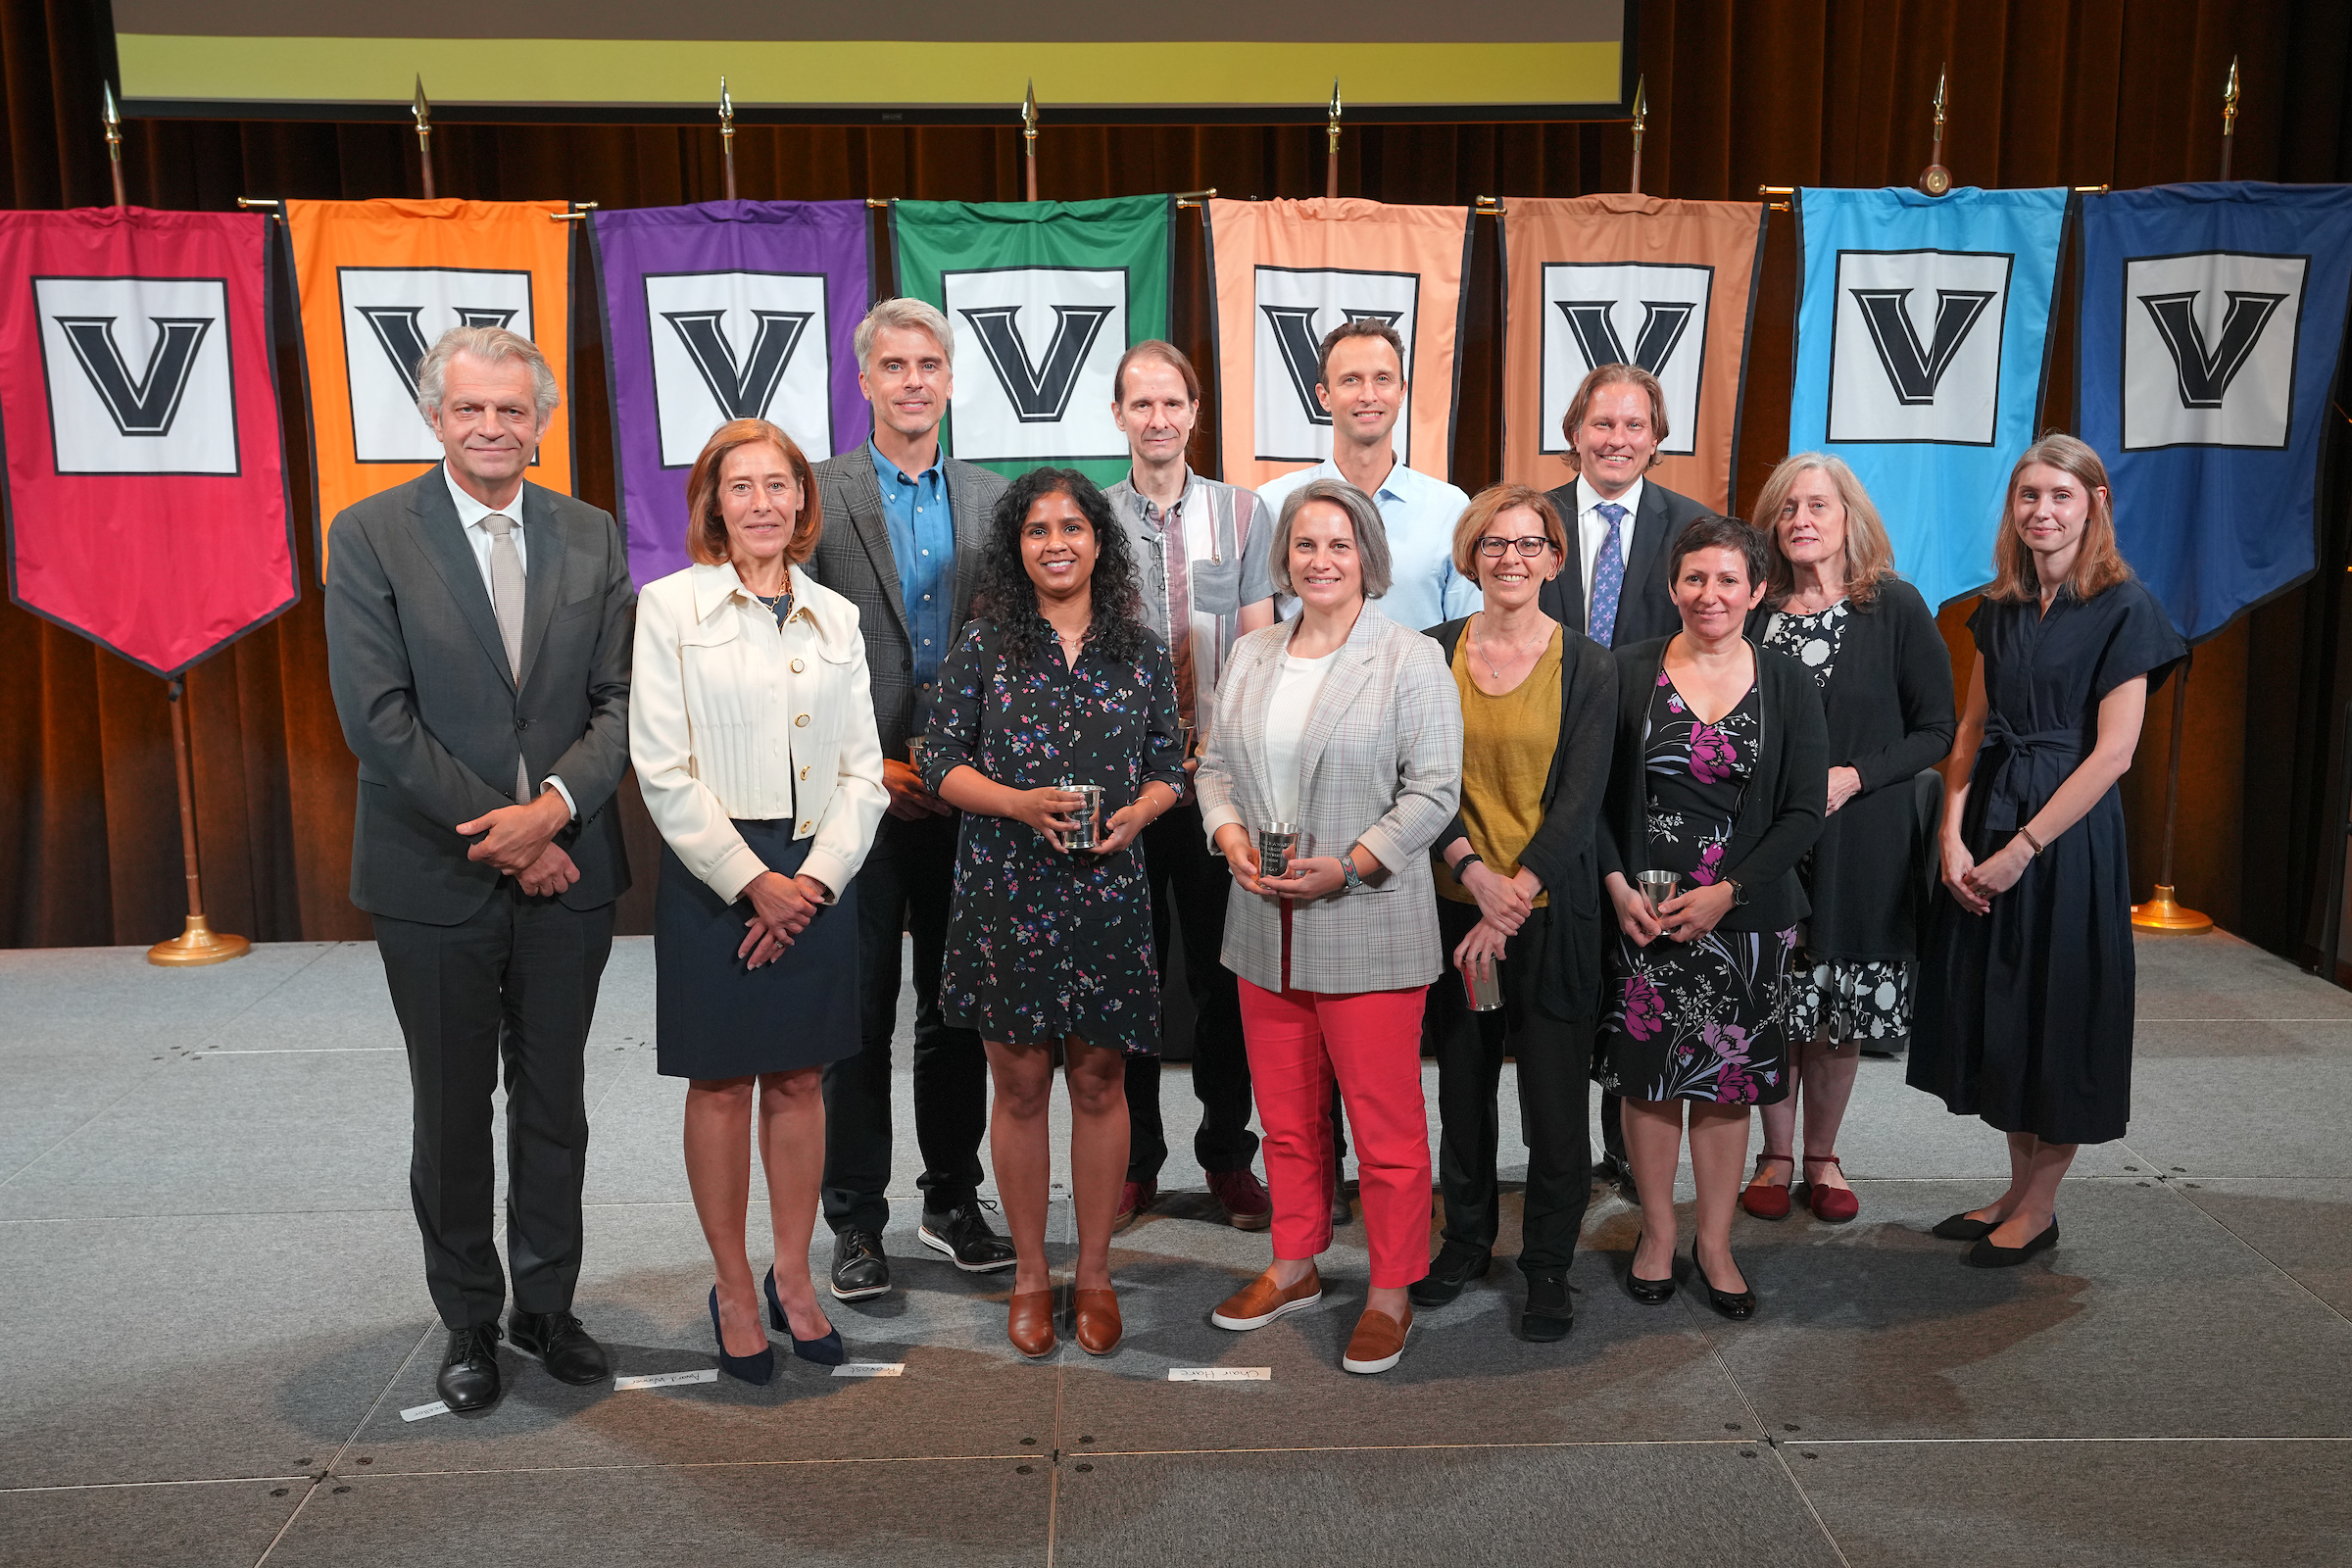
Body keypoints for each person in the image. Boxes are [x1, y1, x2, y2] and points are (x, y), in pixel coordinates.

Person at [324, 325, 634, 1412]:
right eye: (471, 409)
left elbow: (619, 701)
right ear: (434, 416)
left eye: (513, 410)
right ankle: (467, 1317)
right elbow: (378, 718)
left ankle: (546, 1304)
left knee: (555, 1101)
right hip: (434, 876)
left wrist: (552, 812)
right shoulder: (368, 535)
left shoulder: (591, 532)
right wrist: (507, 832)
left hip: (571, 865)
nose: (493, 427)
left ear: (541, 422)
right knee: (452, 1107)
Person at [630, 418, 888, 1382]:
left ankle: (792, 1272)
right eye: (741, 487)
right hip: (718, 876)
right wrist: (755, 883)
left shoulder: (837, 618)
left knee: (800, 1077)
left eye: (778, 484)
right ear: (713, 505)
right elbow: (661, 767)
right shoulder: (669, 608)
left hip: (820, 874)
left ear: (801, 500)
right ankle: (733, 1284)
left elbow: (864, 773)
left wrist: (814, 881)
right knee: (723, 1081)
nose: (763, 503)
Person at [1196, 478, 1463, 1376]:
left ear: (1369, 559)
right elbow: (1215, 767)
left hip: (1367, 920)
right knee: (1287, 1124)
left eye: (1338, 546)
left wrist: (1349, 864)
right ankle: (1295, 1262)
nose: (1320, 561)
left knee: (1384, 1128)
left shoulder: (1409, 659)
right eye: (1305, 546)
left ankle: (1391, 1287)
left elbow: (1434, 793)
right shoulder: (1254, 654)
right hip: (1261, 926)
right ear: (1285, 561)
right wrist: (1228, 834)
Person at [924, 468, 1188, 1357]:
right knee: (1023, 1084)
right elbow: (940, 765)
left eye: (1073, 527)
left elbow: (1170, 765)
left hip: (1109, 889)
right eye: (1037, 531)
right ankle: (1034, 1273)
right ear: (1017, 547)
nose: (1057, 543)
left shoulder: (1142, 650)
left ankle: (1099, 1273)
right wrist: (1015, 804)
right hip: (1007, 886)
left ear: (1101, 542)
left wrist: (1143, 812)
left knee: (1101, 1082)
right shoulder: (985, 644)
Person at [1910, 435, 2181, 1266]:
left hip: (2066, 835)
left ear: (2094, 502)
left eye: (2060, 495)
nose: (2042, 511)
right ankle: (2016, 1192)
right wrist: (1952, 835)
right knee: (2005, 1010)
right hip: (1992, 811)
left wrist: (2025, 846)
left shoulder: (2127, 608)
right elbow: (1970, 726)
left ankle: (2042, 1206)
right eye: (2028, 496)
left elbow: (2115, 753)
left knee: (2058, 1010)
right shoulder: (1997, 607)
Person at [809, 298, 1015, 1299]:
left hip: (967, 797)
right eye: (893, 365)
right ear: (865, 381)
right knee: (854, 1016)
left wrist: (963, 766)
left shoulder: (993, 498)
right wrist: (870, 766)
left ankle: (950, 1196)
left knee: (955, 1011)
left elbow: (1017, 649)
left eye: (928, 364)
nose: (912, 381)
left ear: (948, 378)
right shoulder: (816, 495)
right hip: (856, 797)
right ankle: (854, 1218)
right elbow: (788, 656)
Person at [1594, 515, 1826, 1321]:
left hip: (1748, 917)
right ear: (1672, 586)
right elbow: (1588, 798)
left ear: (1758, 590)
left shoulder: (1788, 682)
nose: (1710, 594)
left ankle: (1715, 1243)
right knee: (1651, 1082)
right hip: (1645, 918)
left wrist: (1729, 891)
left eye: (1729, 580)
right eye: (1695, 578)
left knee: (1728, 1087)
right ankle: (1658, 1235)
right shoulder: (1626, 672)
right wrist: (1619, 885)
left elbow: (1801, 813)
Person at [1413, 485, 1617, 1342]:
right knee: (1461, 1092)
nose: (1511, 559)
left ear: (1556, 559)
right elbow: (1421, 780)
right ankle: (1465, 1240)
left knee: (1555, 1102)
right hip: (1452, 911)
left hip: (1549, 913)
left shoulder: (1590, 664)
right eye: (1494, 545)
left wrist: (1514, 897)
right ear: (1471, 556)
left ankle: (1547, 1266)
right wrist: (1473, 877)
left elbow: (1581, 801)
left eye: (1529, 545)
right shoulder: (1430, 653)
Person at [1738, 456, 1955, 1225]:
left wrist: (1853, 776)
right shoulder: (1751, 613)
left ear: (1848, 518)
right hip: (1769, 845)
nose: (1801, 518)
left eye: (1817, 505)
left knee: (1838, 1011)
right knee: (1777, 1002)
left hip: (1863, 839)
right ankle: (1774, 1155)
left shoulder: (1893, 606)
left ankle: (1823, 1158)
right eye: (1788, 506)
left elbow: (1937, 729)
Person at [1103, 340, 1277, 1233]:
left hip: (1217, 788)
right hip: (1124, 792)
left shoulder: (1244, 515)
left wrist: (1224, 751)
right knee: (1131, 983)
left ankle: (1225, 1155)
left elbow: (1257, 647)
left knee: (1222, 981)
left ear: (1194, 412)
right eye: (1142, 405)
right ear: (1119, 416)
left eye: (1173, 404)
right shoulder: (1086, 519)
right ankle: (1134, 1162)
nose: (1158, 419)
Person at [1541, 363, 1715, 1200]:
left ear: (1657, 436)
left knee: (1639, 956)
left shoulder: (1695, 528)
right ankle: (1559, 1144)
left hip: (1657, 778)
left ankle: (1627, 1140)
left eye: (1635, 426)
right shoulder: (1531, 523)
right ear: (1574, 431)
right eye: (1602, 425)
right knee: (1564, 957)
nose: (1617, 440)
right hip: (1546, 770)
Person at [1258, 318, 1477, 634]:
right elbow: (1261, 635)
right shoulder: (1272, 503)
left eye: (1383, 379)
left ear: (1402, 391)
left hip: (1418, 682)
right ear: (1324, 396)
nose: (1368, 395)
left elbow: (1465, 636)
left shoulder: (1451, 507)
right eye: (1351, 380)